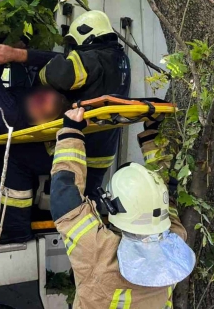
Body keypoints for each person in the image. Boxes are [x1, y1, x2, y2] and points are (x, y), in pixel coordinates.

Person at [48, 107, 196, 308]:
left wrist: (70, 132)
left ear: (112, 206)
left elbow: (65, 201)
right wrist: (152, 135)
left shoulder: (101, 255)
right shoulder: (175, 243)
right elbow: (165, 197)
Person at [0, 10, 131, 206]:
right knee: (88, 203)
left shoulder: (93, 58)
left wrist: (40, 75)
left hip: (79, 147)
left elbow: (59, 74)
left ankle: (16, 228)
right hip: (102, 153)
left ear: (85, 35)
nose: (73, 50)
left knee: (15, 157)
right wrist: (21, 55)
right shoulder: (121, 59)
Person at [0, 63, 71, 243]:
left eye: (45, 109)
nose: (42, 100)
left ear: (41, 124)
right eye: (44, 96)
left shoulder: (9, 116)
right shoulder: (23, 97)